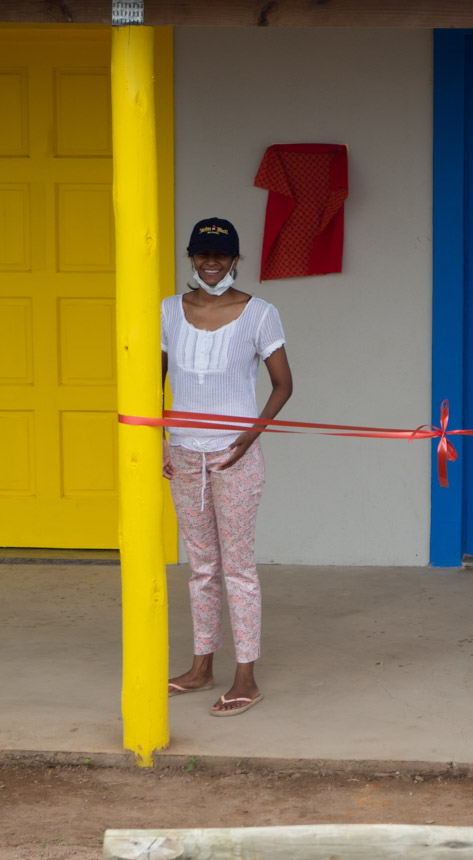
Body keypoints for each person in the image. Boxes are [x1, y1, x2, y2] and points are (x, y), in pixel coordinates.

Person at [161, 217, 293, 717]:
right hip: (184, 456)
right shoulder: (169, 312)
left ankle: (246, 679)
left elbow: (283, 383)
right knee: (201, 567)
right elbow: (152, 384)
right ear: (191, 258)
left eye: (220, 255)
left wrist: (248, 436)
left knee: (237, 568)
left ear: (236, 260)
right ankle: (200, 667)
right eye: (201, 254)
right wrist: (162, 444)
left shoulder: (260, 314)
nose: (210, 263)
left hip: (235, 458)